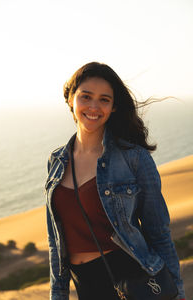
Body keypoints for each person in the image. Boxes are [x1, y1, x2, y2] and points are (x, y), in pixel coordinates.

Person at [45, 62, 185, 300]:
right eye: (86, 97)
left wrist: (178, 292)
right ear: (71, 99)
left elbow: (158, 232)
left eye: (104, 100)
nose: (93, 107)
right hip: (85, 285)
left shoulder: (134, 158)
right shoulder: (56, 161)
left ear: (113, 107)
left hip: (132, 279)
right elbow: (54, 240)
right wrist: (57, 294)